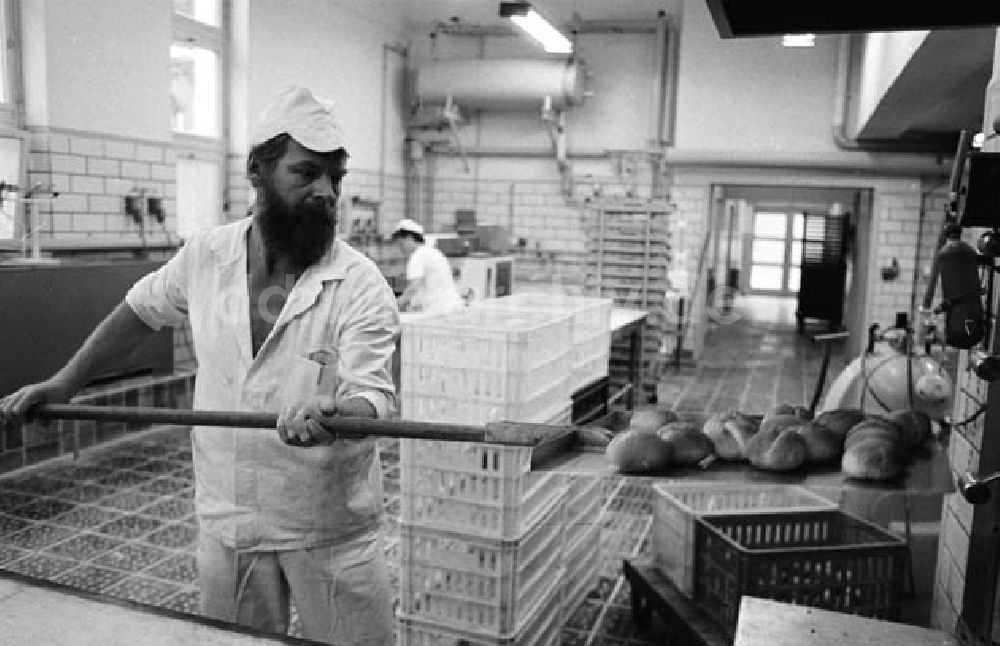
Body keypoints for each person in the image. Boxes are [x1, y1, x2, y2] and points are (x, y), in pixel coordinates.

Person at [0, 86, 398, 645]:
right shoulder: (208, 255)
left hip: (326, 524)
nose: (325, 193)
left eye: (336, 178)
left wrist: (340, 407)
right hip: (230, 518)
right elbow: (139, 312)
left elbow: (375, 396)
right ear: (258, 172)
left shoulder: (358, 284)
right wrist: (67, 380)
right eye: (305, 174)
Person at [391, 218, 464, 314]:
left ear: (409, 237)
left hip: (439, 310)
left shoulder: (417, 256)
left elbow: (414, 286)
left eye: (401, 244)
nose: (401, 249)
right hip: (452, 306)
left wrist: (397, 303)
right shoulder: (432, 251)